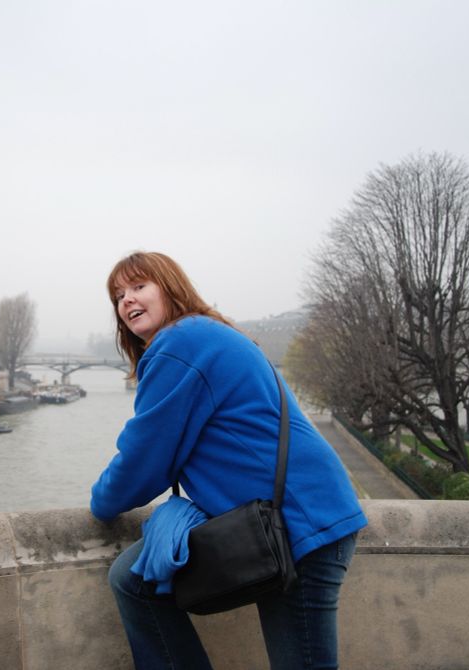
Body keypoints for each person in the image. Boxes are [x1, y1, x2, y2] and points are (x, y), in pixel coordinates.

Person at [91, 251, 367, 670]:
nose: (126, 300)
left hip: (301, 526)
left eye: (139, 286)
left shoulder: (179, 343)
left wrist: (99, 503)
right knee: (134, 578)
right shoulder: (205, 334)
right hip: (298, 515)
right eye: (118, 295)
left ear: (171, 288)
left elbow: (143, 458)